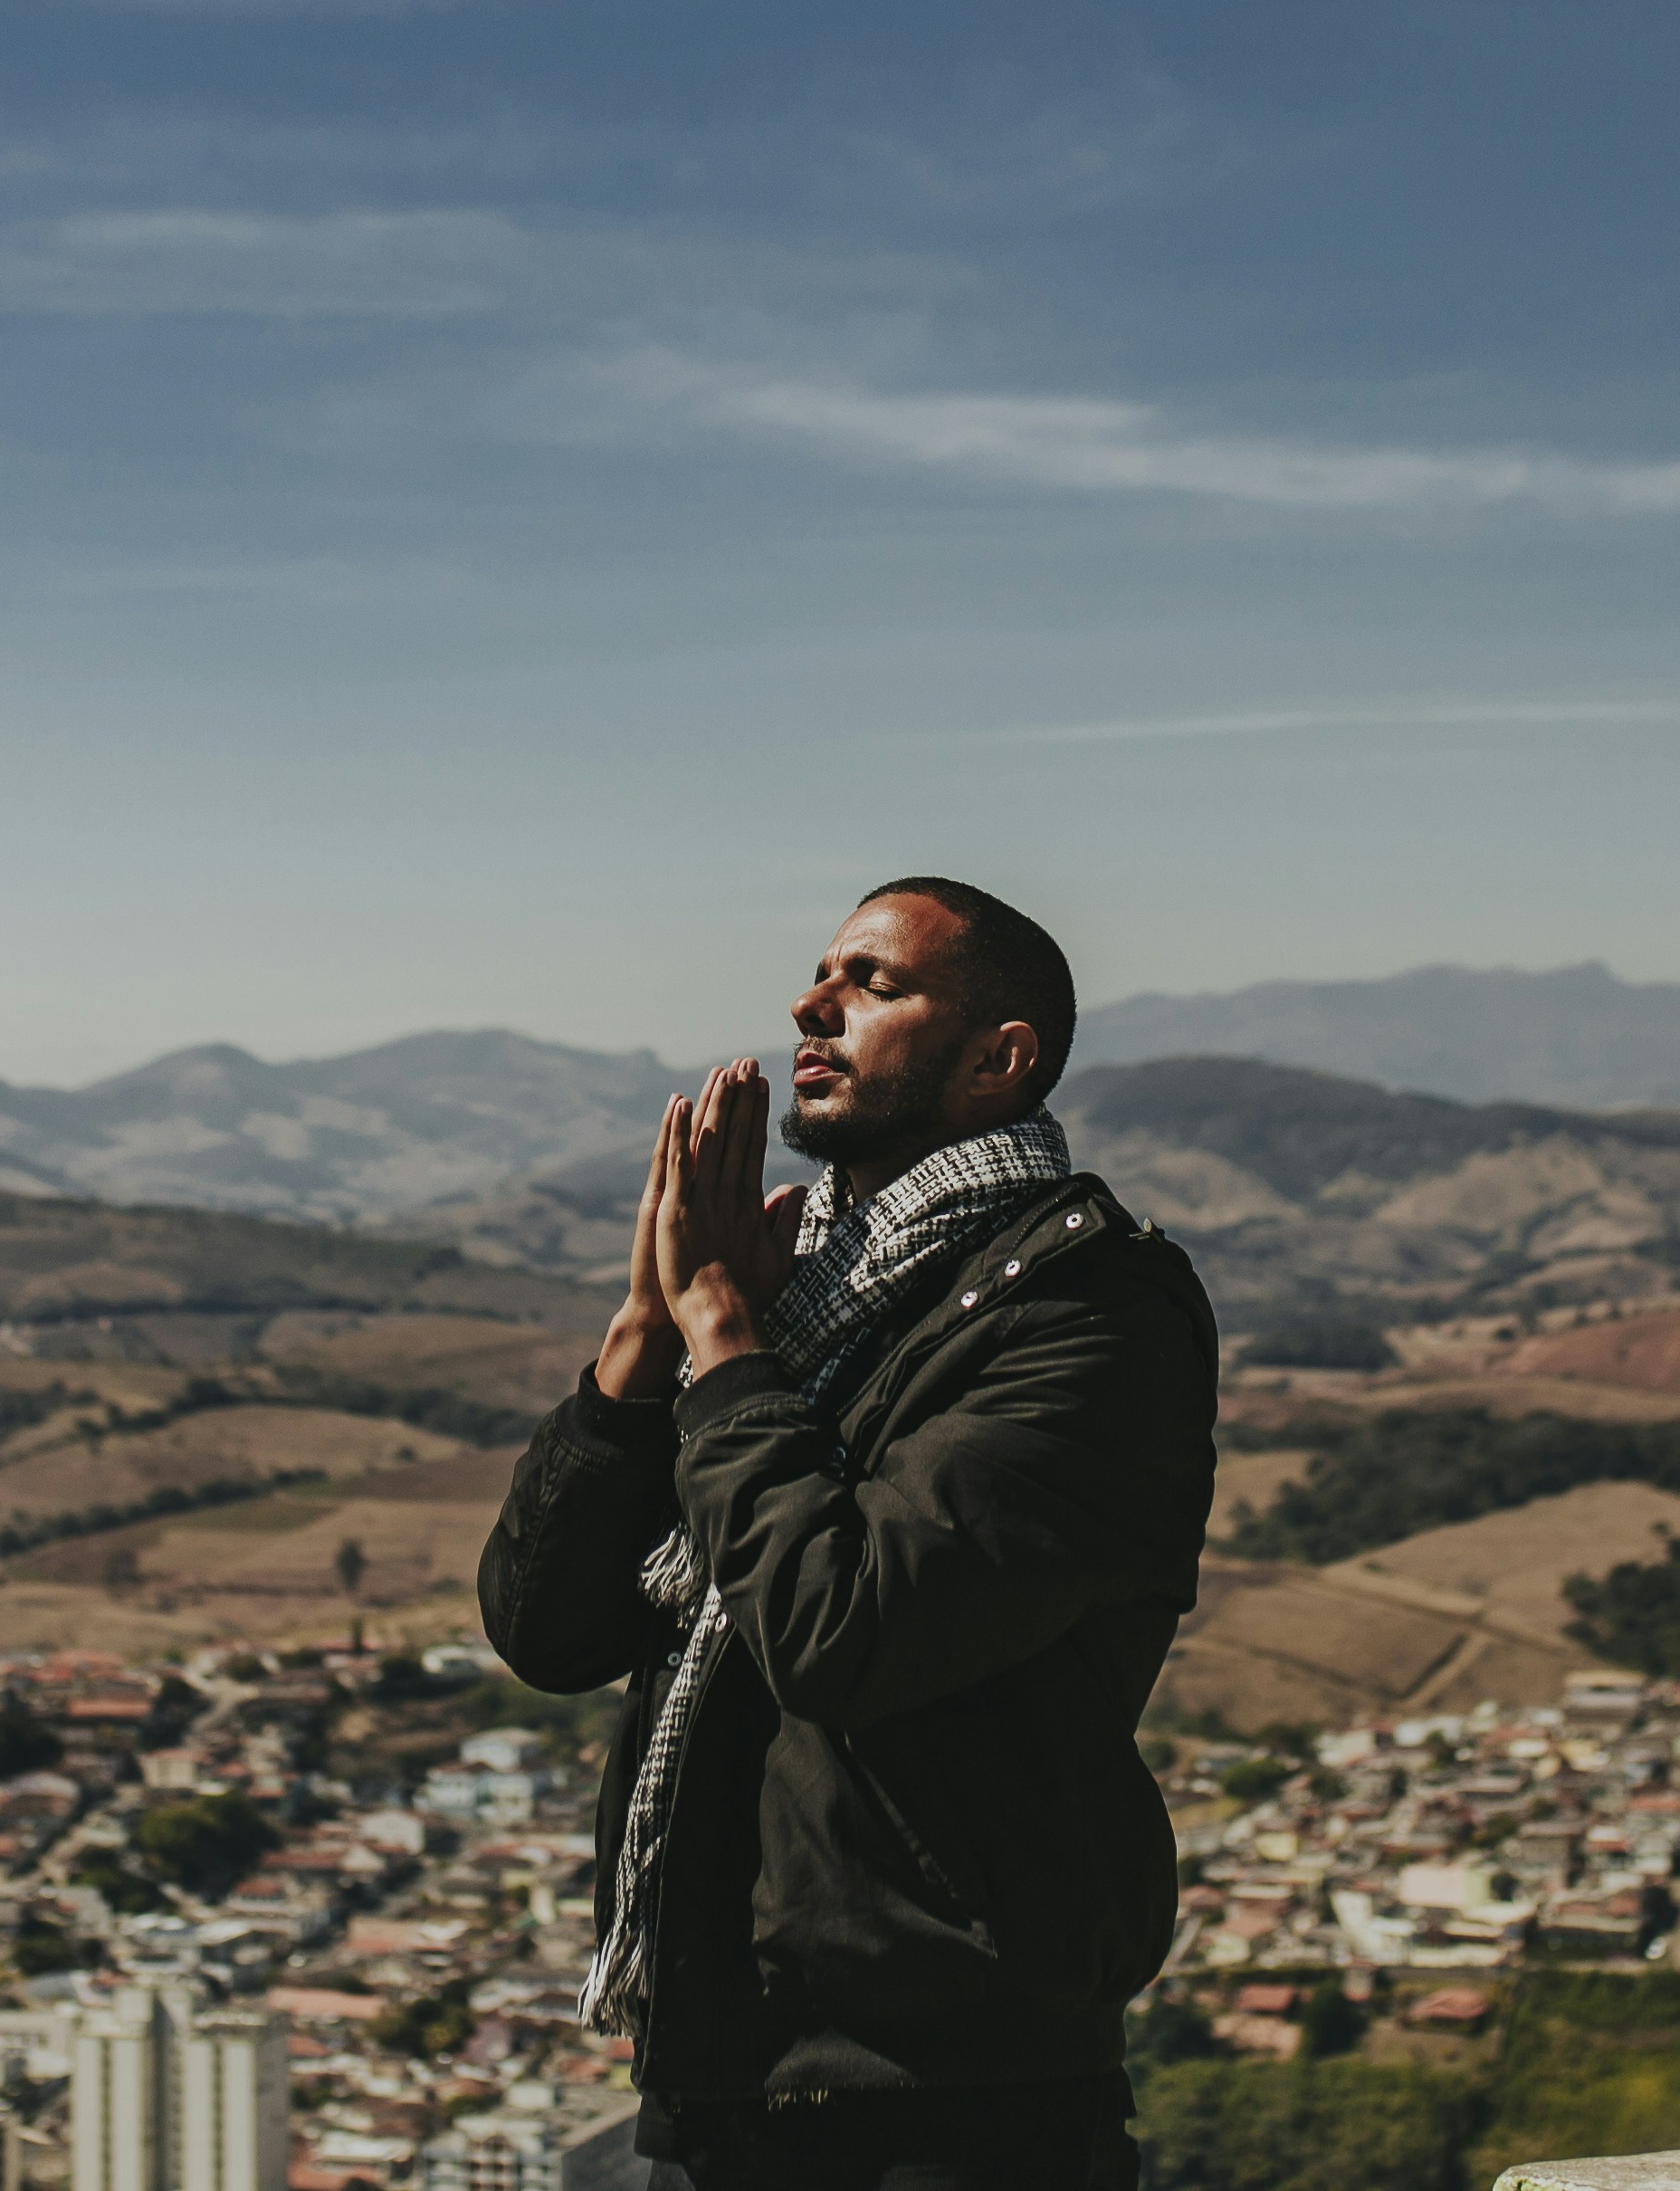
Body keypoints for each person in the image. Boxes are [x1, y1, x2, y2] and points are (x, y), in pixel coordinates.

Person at [477, 876, 1219, 2191]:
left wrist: (720, 1338)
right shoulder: (804, 1297)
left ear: (1003, 1059)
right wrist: (645, 1340)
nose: (810, 1006)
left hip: (951, 2108)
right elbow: (547, 1627)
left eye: (874, 983)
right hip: (722, 2079)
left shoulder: (1092, 1312)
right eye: (824, 974)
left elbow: (843, 1628)